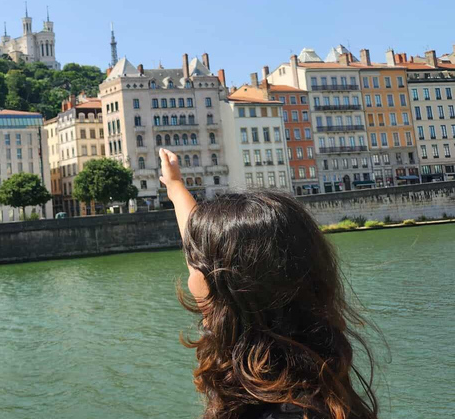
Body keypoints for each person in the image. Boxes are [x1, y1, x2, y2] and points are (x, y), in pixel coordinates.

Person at [159, 148, 379, 419]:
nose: (191, 270)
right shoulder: (305, 364)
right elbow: (203, 248)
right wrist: (175, 185)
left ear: (227, 289)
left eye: (197, 265)